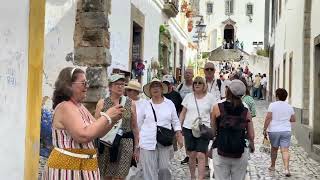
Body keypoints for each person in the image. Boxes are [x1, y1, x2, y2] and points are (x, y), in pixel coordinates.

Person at [42, 67, 123, 180]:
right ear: (68, 85)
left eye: (87, 83)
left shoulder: (80, 107)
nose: (87, 86)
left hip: (83, 167)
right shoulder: (65, 107)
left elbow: (97, 133)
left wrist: (112, 120)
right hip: (67, 169)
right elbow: (83, 135)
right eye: (83, 83)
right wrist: (107, 116)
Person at [96, 74, 139, 180]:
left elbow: (134, 127)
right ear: (110, 87)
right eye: (117, 84)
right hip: (107, 143)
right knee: (106, 175)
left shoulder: (130, 103)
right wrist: (95, 147)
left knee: (120, 176)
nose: (120, 86)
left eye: (122, 84)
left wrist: (136, 148)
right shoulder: (102, 103)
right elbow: (95, 126)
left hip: (125, 143)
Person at [139, 78, 184, 180]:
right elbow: (139, 123)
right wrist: (137, 142)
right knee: (149, 170)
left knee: (164, 168)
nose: (155, 88)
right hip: (147, 140)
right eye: (153, 86)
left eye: (157, 86)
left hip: (164, 140)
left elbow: (175, 121)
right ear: (150, 90)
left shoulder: (169, 104)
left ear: (162, 89)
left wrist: (178, 134)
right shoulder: (145, 105)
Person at [211, 79, 255, 180]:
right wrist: (251, 144)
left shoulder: (217, 108)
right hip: (240, 151)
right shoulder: (245, 110)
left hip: (220, 150)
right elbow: (251, 135)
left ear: (228, 91)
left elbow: (213, 132)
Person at [179, 76, 217, 180]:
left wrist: (214, 130)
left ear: (204, 85)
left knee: (201, 154)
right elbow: (183, 113)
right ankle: (192, 176)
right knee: (192, 154)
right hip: (188, 128)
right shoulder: (188, 97)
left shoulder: (210, 98)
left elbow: (212, 116)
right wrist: (179, 127)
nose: (197, 84)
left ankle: (200, 178)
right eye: (195, 82)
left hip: (203, 129)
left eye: (200, 83)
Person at [263, 88, 296, 177]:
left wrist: (264, 128)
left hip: (274, 130)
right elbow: (293, 119)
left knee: (274, 149)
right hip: (286, 130)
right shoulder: (289, 106)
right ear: (286, 97)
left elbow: (268, 118)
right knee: (285, 150)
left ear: (277, 96)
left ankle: (273, 166)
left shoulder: (272, 105)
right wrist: (285, 119)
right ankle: (286, 169)